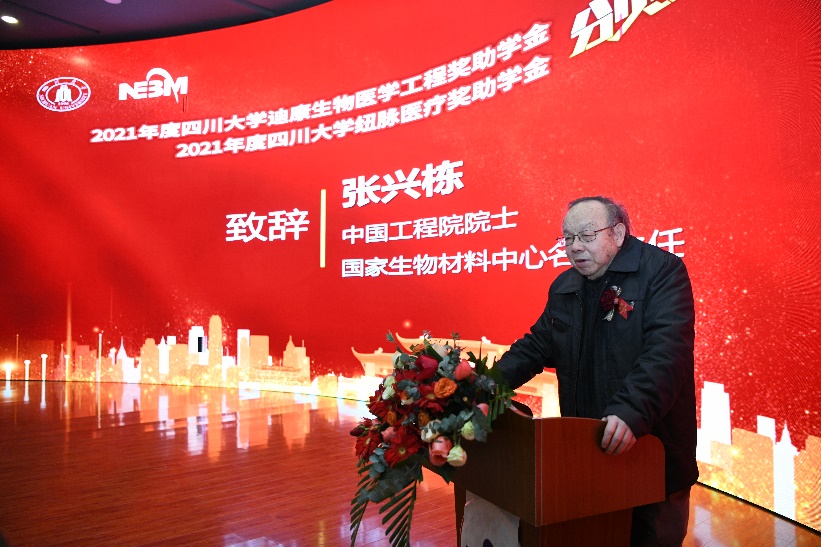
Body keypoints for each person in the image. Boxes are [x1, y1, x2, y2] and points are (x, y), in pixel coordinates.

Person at [498, 196, 698, 546]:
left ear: (617, 234)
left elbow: (667, 353)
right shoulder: (565, 286)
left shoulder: (661, 271)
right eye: (568, 238)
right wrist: (485, 383)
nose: (575, 247)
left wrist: (631, 411)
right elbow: (535, 347)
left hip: (650, 448)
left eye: (587, 236)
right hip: (589, 451)